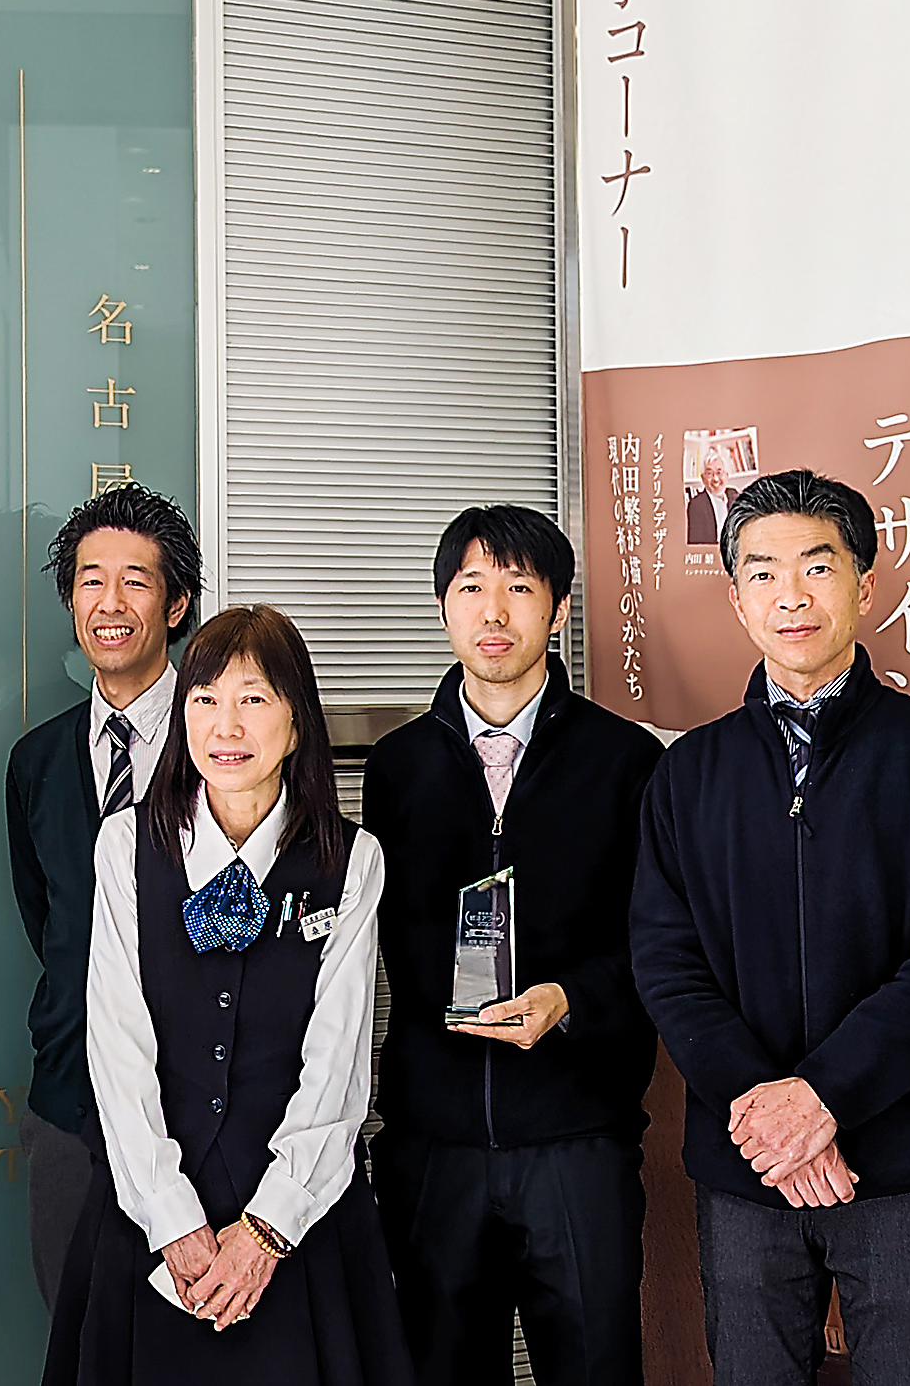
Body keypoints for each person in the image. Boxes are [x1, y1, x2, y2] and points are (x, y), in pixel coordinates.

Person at [631, 469, 910, 1386]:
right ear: (735, 599)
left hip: (906, 1162)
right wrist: (772, 1111)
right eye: (761, 573)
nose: (790, 596)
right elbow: (667, 961)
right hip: (748, 1168)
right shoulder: (690, 774)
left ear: (865, 584)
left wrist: (823, 1099)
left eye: (817, 566)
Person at [44, 604, 413, 1386]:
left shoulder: (351, 862)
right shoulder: (127, 847)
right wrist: (175, 1223)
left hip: (297, 1218)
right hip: (150, 1213)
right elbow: (116, 1045)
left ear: (297, 721)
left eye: (254, 698)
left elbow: (340, 1069)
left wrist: (265, 1232)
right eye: (205, 698)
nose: (226, 724)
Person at [363, 506, 662, 1386]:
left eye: (520, 589)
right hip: (433, 1145)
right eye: (471, 589)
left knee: (596, 1366)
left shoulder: (625, 761)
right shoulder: (399, 766)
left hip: (577, 1136)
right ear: (444, 607)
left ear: (560, 609)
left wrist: (570, 998)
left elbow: (660, 945)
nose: (494, 613)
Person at [6, 485, 202, 1306]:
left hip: (199, 1101)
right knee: (76, 1328)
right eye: (90, 581)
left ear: (178, 602)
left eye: (135, 581)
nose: (109, 605)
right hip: (70, 1100)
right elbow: (46, 917)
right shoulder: (37, 761)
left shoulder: (222, 744)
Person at [685, 450, 740, 546]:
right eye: (710, 474)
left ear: (726, 476)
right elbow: (696, 544)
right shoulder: (697, 504)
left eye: (719, 473)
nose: (715, 479)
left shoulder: (734, 496)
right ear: (703, 478)